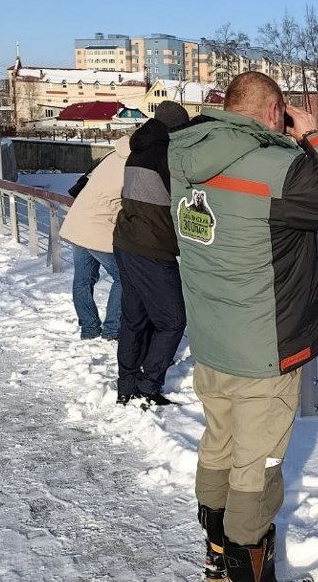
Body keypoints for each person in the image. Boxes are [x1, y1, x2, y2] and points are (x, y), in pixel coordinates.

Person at [169, 72, 318, 582]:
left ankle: (216, 550)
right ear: (273, 109)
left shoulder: (183, 155)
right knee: (256, 467)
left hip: (212, 340)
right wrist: (316, 136)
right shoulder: (273, 167)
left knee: (219, 444)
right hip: (264, 347)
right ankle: (245, 565)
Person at [112, 99, 191, 408]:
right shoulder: (167, 155)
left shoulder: (137, 151)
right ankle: (148, 385)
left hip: (125, 241)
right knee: (173, 320)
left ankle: (126, 384)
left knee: (134, 319)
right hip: (152, 247)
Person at [59, 136, 130, 340]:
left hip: (78, 222)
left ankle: (89, 329)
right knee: (124, 278)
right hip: (97, 226)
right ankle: (112, 329)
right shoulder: (133, 166)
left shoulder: (112, 154)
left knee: (82, 279)